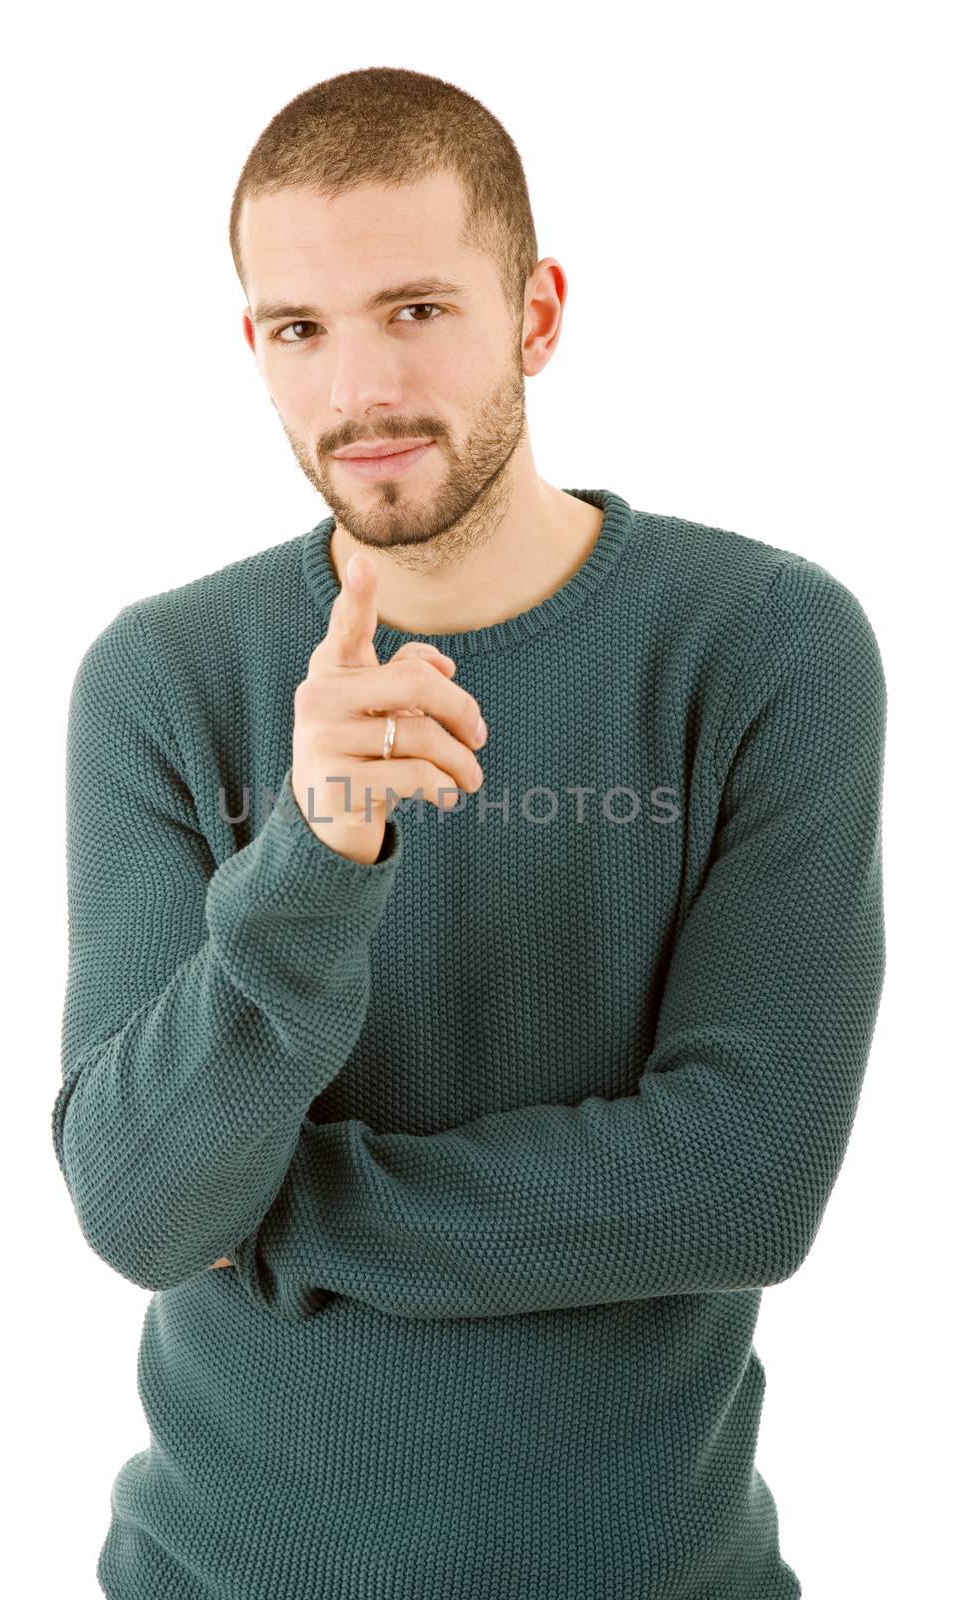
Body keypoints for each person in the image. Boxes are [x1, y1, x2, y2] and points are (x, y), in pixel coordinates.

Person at [51, 66, 887, 1600]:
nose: (359, 389)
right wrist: (314, 857)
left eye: (417, 310)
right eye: (300, 329)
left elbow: (748, 1182)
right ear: (256, 348)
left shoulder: (765, 646)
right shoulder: (161, 679)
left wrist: (285, 1215)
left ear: (538, 314)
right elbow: (140, 1209)